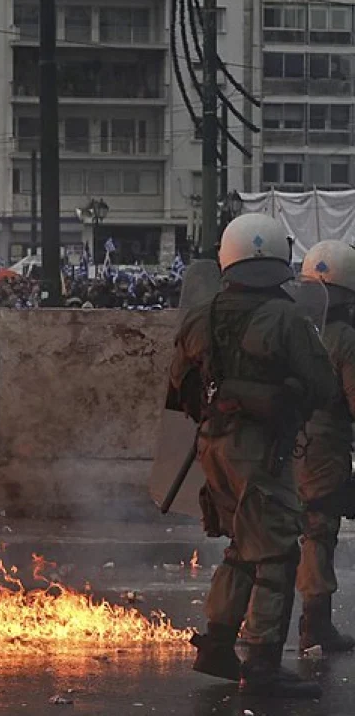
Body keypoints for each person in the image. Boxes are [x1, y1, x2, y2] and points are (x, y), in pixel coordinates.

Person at [169, 213, 336, 698]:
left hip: (211, 445)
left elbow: (180, 391)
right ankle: (262, 663)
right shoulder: (287, 318)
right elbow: (324, 387)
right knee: (278, 552)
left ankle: (217, 644)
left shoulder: (200, 316)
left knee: (242, 547)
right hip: (261, 451)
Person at [296, 240, 355, 654]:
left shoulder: (290, 325)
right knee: (318, 532)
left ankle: (253, 622)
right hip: (325, 450)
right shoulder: (345, 338)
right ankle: (315, 626)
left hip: (282, 445)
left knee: (274, 535)